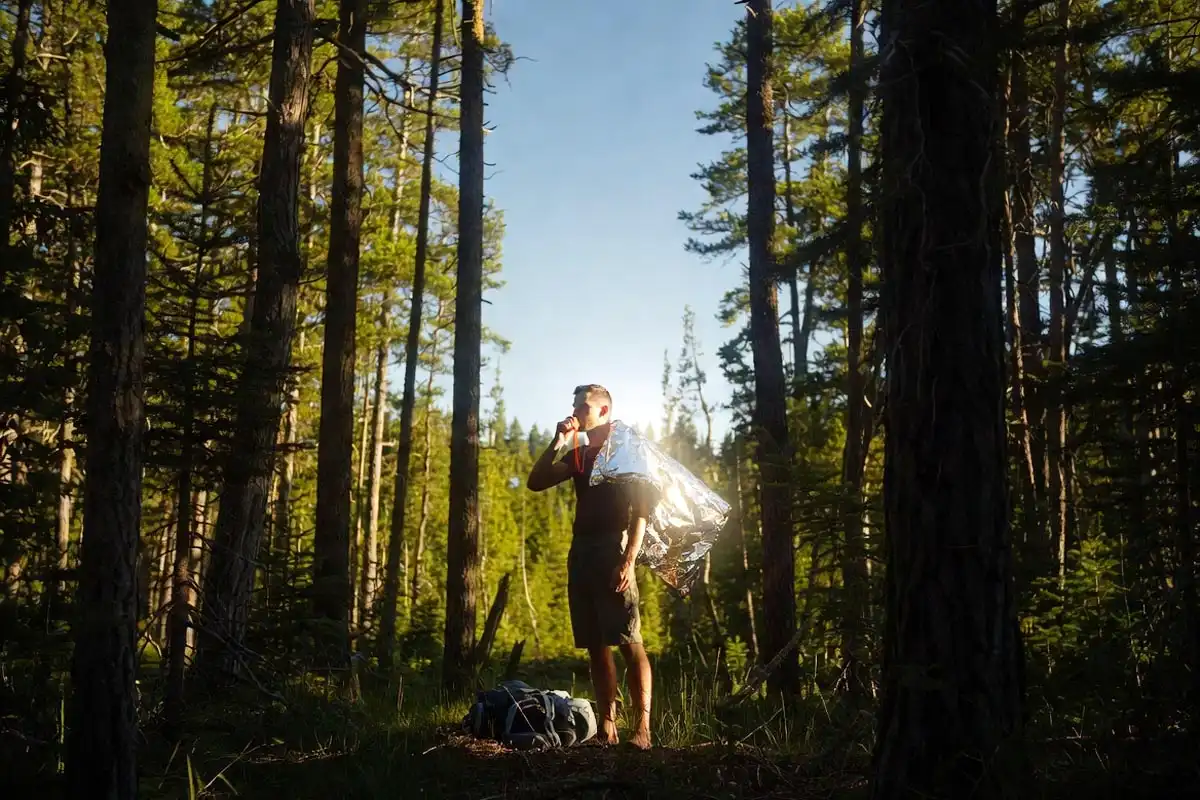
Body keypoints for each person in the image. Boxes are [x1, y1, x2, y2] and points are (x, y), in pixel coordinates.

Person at [526, 384, 653, 749]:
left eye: (583, 406)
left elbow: (641, 513)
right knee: (597, 644)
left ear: (603, 411)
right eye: (574, 405)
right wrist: (557, 442)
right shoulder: (580, 452)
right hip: (581, 552)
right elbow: (537, 482)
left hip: (614, 549)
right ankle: (608, 728)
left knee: (629, 641)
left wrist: (628, 560)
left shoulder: (627, 449)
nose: (576, 411)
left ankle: (642, 730)